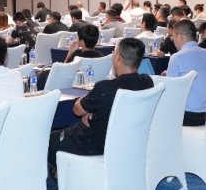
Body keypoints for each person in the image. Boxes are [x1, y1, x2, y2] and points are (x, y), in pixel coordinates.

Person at [47, 38, 153, 176]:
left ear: (118, 58)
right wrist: (95, 108)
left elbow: (77, 110)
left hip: (94, 143)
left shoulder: (106, 88)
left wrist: (91, 104)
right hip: (127, 142)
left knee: (48, 140)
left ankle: (54, 186)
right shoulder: (147, 82)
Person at [165, 20, 206, 126]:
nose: (173, 41)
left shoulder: (177, 57)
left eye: (172, 37)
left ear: (180, 36)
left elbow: (170, 92)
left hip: (188, 115)